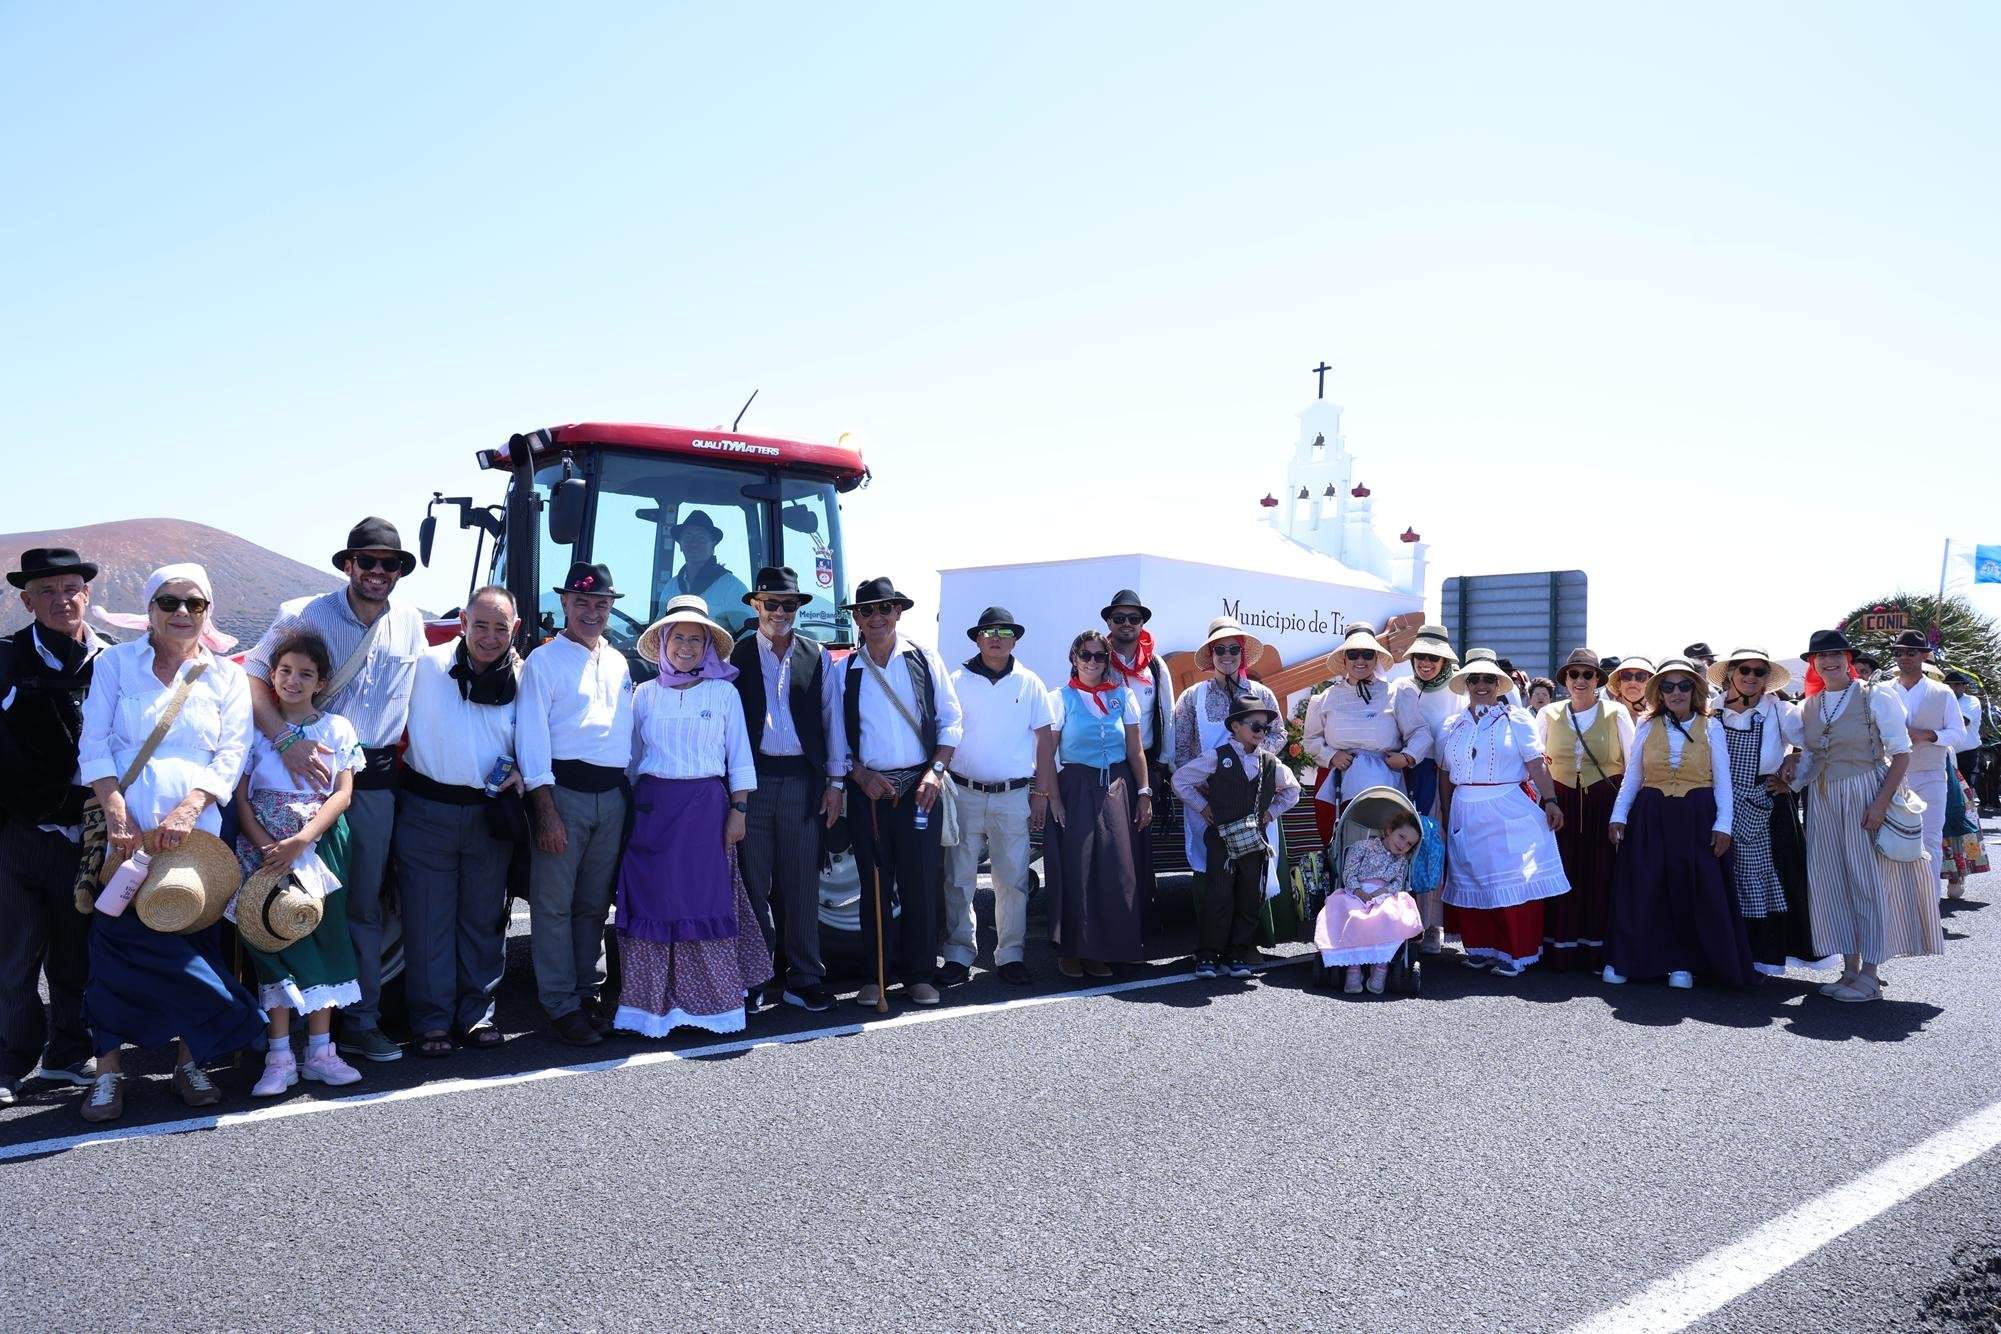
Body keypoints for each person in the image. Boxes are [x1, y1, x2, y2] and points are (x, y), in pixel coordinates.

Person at [74, 565, 263, 1122]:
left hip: (196, 835)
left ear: (208, 611)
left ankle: (190, 1063)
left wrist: (189, 809)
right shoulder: (114, 664)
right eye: (169, 602)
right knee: (112, 944)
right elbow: (94, 744)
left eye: (194, 603)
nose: (182, 612)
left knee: (194, 939)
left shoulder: (225, 676)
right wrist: (117, 814)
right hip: (125, 831)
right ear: (149, 608)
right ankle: (108, 1073)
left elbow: (232, 753)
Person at [242, 516, 426, 1065]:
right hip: (292, 780)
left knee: (358, 907)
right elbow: (253, 675)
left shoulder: (410, 622)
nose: (377, 571)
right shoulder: (304, 615)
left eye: (389, 564)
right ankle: (275, 1032)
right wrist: (285, 741)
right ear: (348, 564)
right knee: (273, 900)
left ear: (399, 572)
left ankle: (358, 1025)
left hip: (368, 783)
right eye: (366, 561)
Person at [613, 596, 771, 1036]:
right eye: (678, 637)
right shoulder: (644, 694)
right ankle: (650, 1008)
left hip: (705, 812)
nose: (686, 646)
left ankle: (710, 1005)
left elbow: (739, 758)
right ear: (664, 642)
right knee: (653, 903)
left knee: (702, 902)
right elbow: (631, 760)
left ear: (707, 647)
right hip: (653, 812)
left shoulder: (723, 693)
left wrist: (738, 811)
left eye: (695, 640)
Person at [231, 629, 367, 1094]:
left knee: (320, 935)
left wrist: (303, 839)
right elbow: (241, 798)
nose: (293, 680)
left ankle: (322, 1052)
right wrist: (268, 847)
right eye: (285, 671)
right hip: (263, 850)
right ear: (272, 675)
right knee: (271, 938)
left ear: (321, 682)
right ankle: (279, 1056)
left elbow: (342, 794)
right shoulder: (255, 731)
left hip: (320, 845)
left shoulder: (337, 729)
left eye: (305, 674)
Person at [394, 586, 521, 1057]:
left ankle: (477, 1015)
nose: (489, 637)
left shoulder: (524, 677)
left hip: (490, 813)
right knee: (428, 921)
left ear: (515, 629)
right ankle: (431, 1022)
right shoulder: (425, 666)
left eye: (500, 628)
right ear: (463, 622)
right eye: (480, 625)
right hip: (427, 810)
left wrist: (525, 769)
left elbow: (537, 736)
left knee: (484, 921)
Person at [0, 547, 107, 1105]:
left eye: (70, 589)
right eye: (47, 591)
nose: (62, 600)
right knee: (14, 956)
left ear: (86, 594)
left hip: (91, 835)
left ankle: (68, 1053)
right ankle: (8, 1061)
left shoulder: (113, 660)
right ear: (27, 601)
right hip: (20, 832)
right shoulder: (4, 659)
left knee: (75, 953)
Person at [827, 577, 964, 1008]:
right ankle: (877, 977)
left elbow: (951, 722)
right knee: (874, 885)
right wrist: (858, 775)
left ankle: (919, 975)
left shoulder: (924, 658)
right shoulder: (843, 670)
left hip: (921, 789)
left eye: (884, 608)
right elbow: (836, 738)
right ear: (857, 618)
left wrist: (935, 773)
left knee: (920, 884)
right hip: (869, 792)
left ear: (898, 612)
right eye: (867, 610)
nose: (877, 617)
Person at [518, 562, 634, 1046]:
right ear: (564, 603)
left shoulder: (619, 661)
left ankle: (588, 993)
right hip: (562, 794)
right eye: (581, 602)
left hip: (611, 796)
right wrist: (544, 810)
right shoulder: (544, 662)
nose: (592, 611)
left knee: (592, 905)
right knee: (553, 906)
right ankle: (560, 1004)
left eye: (601, 603)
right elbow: (531, 740)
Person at [1796, 630, 1944, 1002]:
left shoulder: (1875, 695)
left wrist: (1879, 804)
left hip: (1865, 792)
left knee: (1868, 882)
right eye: (1821, 656)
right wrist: (1789, 778)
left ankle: (1871, 975)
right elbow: (1811, 757)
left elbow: (1901, 753)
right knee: (1832, 883)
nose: (1829, 661)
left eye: (1836, 654)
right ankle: (1849, 969)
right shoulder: (1810, 706)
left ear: (1847, 659)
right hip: (1824, 799)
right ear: (1813, 663)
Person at [728, 566, 842, 1012]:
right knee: (752, 886)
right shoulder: (733, 656)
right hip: (751, 784)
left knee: (801, 886)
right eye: (771, 603)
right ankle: (755, 979)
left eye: (788, 604)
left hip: (801, 781)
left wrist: (835, 783)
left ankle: (805, 978)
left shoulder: (818, 655)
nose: (779, 612)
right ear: (756, 605)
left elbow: (832, 722)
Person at [1604, 658, 1752, 989]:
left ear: (1695, 690)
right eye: (1668, 686)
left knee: (1689, 889)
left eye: (1684, 685)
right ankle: (1631, 959)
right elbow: (1633, 777)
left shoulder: (1711, 726)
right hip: (1651, 813)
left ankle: (1682, 962)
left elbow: (1722, 781)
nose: (1676, 692)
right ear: (1659, 692)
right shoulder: (1646, 725)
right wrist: (1619, 815)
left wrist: (1724, 824)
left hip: (1696, 815)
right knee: (1645, 887)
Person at [1437, 652, 1570, 978]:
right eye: (1474, 679)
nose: (1481, 685)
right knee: (1472, 877)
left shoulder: (1517, 718)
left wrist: (1550, 800)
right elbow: (1444, 772)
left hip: (1506, 805)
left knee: (1511, 881)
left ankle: (1517, 952)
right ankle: (1481, 948)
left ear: (1499, 684)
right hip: (1465, 807)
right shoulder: (1451, 725)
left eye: (1489, 679)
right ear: (1466, 684)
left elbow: (1536, 762)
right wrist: (1446, 812)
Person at [946, 606, 1058, 986]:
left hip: (1013, 795)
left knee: (1012, 879)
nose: (996, 638)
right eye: (989, 631)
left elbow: (1045, 740)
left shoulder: (1030, 683)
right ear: (978, 638)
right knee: (958, 878)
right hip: (964, 791)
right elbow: (944, 731)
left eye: (1005, 632)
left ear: (1015, 640)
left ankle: (1010, 955)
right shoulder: (957, 680)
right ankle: (958, 954)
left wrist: (1041, 792)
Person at [1039, 629, 1151, 979]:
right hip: (1075, 787)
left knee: (1117, 868)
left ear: (1107, 660)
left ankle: (1111, 948)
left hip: (1117, 787)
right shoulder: (1059, 698)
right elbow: (1046, 754)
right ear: (1074, 658)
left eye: (1099, 656)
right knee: (1077, 868)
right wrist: (1054, 799)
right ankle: (1074, 950)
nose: (1092, 661)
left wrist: (1144, 792)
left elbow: (1135, 750)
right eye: (1085, 655)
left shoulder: (1123, 696)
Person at [1170, 691, 1300, 978]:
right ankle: (1207, 954)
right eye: (1255, 725)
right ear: (1235, 727)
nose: (1261, 732)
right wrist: (1203, 807)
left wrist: (1270, 813)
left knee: (1249, 897)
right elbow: (1180, 781)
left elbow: (1293, 791)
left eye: (1265, 727)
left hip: (1254, 841)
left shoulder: (1270, 762)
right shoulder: (1216, 757)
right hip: (1222, 840)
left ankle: (1237, 953)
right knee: (1218, 896)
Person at [1711, 648, 1822, 974]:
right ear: (1730, 673)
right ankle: (1723, 954)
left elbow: (1815, 747)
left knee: (1772, 880)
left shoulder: (1781, 711)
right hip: (1718, 804)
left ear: (1766, 679)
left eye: (1759, 672)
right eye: (1744, 669)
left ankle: (1764, 958)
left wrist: (1794, 778)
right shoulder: (1711, 709)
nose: (1750, 676)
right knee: (1723, 878)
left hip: (1767, 804)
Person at [1172, 617, 1284, 903]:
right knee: (1209, 865)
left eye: (1234, 649)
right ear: (1211, 655)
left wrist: (1254, 764)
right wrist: (1201, 788)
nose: (1227, 655)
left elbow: (1279, 734)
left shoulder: (1262, 694)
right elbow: (1180, 748)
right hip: (1208, 799)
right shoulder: (1191, 697)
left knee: (1254, 867)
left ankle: (1252, 928)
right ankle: (1210, 926)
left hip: (1252, 798)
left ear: (1242, 653)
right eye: (1219, 649)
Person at [1536, 648, 1633, 973]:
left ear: (1597, 679)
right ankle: (1559, 949)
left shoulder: (1616, 713)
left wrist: (1622, 813)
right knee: (1560, 871)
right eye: (1573, 674)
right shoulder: (1548, 713)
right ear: (1565, 679)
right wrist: (1544, 802)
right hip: (1559, 803)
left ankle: (1596, 951)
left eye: (1587, 674)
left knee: (1600, 873)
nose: (1580, 680)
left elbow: (1633, 766)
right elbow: (1535, 763)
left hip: (1602, 802)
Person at [1300, 623, 1430, 846]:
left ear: (1376, 657)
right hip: (1340, 785)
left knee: (1386, 845)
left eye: (1367, 654)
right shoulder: (1325, 699)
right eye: (1353, 654)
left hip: (1386, 785)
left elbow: (1421, 732)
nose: (1360, 660)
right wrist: (1331, 756)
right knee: (1345, 844)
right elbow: (1311, 740)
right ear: (1344, 659)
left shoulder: (1396, 693)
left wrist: (1407, 757)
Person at [1103, 589, 1174, 908]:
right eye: (1119, 618)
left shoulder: (1155, 666)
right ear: (1109, 622)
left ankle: (1142, 911)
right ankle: (1112, 911)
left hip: (1144, 765)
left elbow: (1167, 714)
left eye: (1134, 618)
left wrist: (1163, 766)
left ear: (1142, 623)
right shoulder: (1096, 659)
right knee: (1110, 841)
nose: (1127, 623)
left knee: (1141, 841)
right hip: (1106, 764)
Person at [1886, 630, 1966, 895]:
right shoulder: (1883, 691)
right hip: (1888, 776)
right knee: (1891, 840)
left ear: (1923, 656)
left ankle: (1929, 903)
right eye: (1898, 652)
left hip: (1930, 774)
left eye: (1911, 652)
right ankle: (1898, 903)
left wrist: (1928, 735)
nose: (1904, 657)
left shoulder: (1942, 692)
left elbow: (1958, 733)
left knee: (1929, 840)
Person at [1312, 806, 1423, 995]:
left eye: (1409, 844)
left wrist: (1384, 891)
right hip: (1356, 892)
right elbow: (1349, 872)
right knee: (1353, 916)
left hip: (1384, 896)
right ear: (1389, 830)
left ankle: (1380, 966)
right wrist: (1358, 891)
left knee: (1389, 916)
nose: (1403, 845)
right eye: (1401, 837)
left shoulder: (1401, 861)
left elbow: (1398, 883)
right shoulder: (1363, 847)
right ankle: (1353, 968)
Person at [1400, 624, 1461, 954]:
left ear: (1444, 661)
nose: (1426, 663)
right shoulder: (1402, 688)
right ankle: (1400, 923)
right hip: (1403, 776)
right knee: (1400, 847)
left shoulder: (1458, 691)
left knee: (1432, 847)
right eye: (1420, 656)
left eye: (1433, 658)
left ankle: (1432, 925)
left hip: (1440, 780)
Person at [667, 511, 750, 624]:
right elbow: (658, 630)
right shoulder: (670, 587)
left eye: (701, 538)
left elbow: (749, 633)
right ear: (680, 545)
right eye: (688, 537)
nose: (694, 543)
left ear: (713, 544)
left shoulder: (732, 588)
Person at [1607, 656, 1655, 724]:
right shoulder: (1606, 714)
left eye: (1640, 676)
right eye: (1626, 676)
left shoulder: (1661, 717)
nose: (1633, 682)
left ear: (1649, 683)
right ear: (1619, 684)